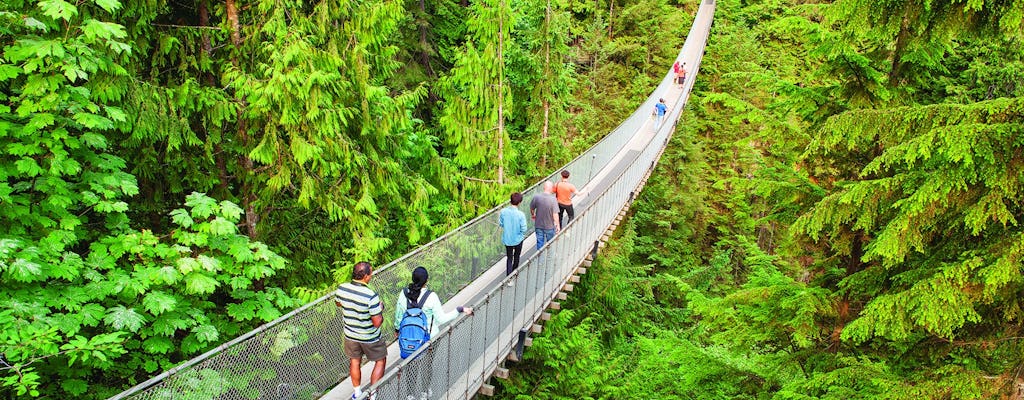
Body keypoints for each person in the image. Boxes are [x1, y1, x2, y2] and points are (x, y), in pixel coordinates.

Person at [393, 267, 473, 399]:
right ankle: (424, 393)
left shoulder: (404, 294)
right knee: (427, 364)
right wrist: (459, 310)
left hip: (408, 338)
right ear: (426, 281)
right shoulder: (431, 296)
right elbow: (441, 319)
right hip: (429, 338)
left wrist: (397, 330)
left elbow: (398, 317)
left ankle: (410, 395)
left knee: (411, 365)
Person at [335, 262, 385, 400]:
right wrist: (380, 310)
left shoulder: (342, 288)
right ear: (365, 276)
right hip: (370, 337)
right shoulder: (371, 295)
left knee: (355, 362)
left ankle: (357, 393)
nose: (371, 276)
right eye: (370, 274)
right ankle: (373, 394)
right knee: (380, 360)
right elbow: (377, 323)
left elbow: (339, 303)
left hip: (350, 335)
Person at [499, 192, 528, 277]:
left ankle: (509, 276)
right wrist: (520, 232)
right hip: (518, 239)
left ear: (510, 201)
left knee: (509, 257)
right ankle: (515, 272)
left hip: (507, 239)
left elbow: (501, 223)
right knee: (517, 256)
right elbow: (524, 229)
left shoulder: (503, 211)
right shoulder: (521, 215)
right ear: (519, 203)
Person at [529, 181, 560, 249]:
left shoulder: (536, 197)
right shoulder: (553, 199)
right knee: (550, 243)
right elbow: (555, 214)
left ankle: (540, 257)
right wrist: (558, 226)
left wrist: (533, 214)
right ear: (551, 188)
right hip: (549, 226)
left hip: (538, 225)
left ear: (544, 187)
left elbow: (531, 208)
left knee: (540, 243)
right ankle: (549, 256)